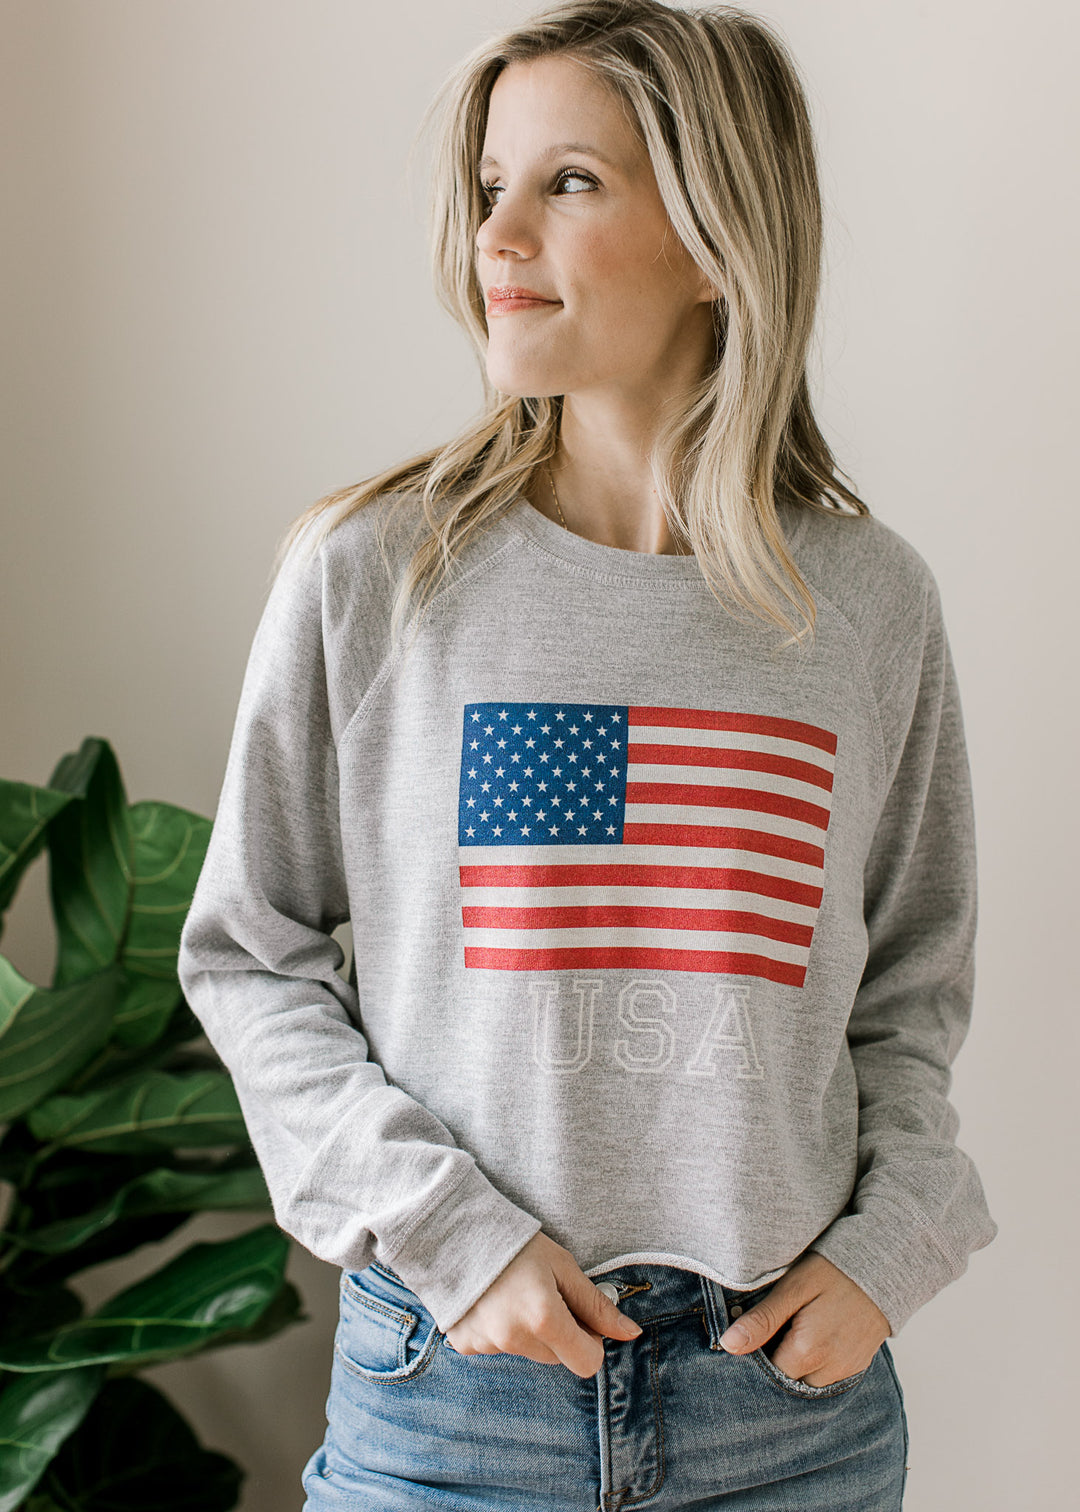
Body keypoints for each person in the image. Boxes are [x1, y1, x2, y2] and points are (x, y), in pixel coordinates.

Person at [177, 2, 997, 1507]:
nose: (495, 233)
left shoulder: (871, 605)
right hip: (453, 1394)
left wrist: (889, 1253)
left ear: (712, 236)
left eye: (568, 182)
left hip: (788, 1416)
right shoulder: (376, 575)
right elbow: (249, 950)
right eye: (489, 184)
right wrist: (449, 1237)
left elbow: (913, 990)